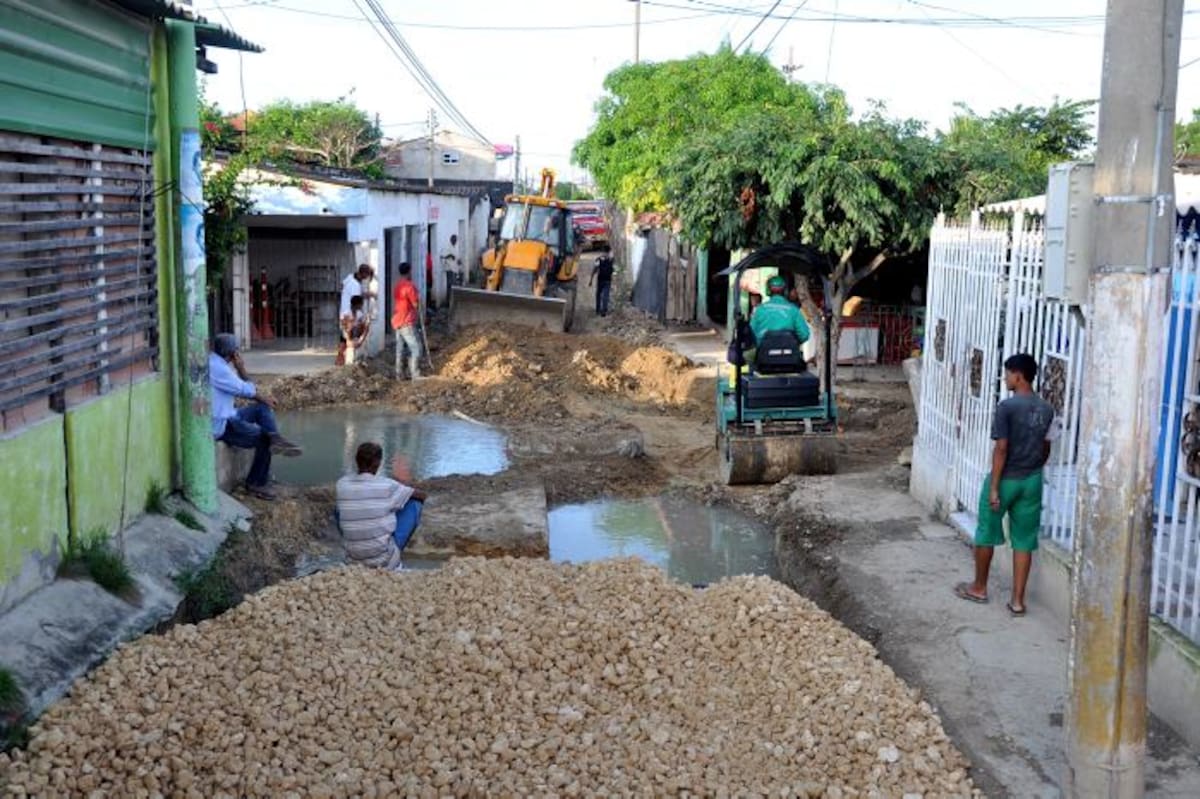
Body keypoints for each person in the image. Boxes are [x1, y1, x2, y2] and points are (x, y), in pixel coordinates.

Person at [955, 353, 1056, 616]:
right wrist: (1034, 466)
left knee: (986, 531)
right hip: (1032, 480)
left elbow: (1001, 448)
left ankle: (979, 588)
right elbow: (1046, 446)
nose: (1005, 378)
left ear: (1018, 375)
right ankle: (1018, 601)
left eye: (1008, 373)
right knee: (1024, 540)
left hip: (1006, 478)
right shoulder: (1047, 409)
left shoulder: (1007, 407)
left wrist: (994, 487)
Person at [209, 333, 302, 501]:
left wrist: (262, 399)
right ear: (232, 353)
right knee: (263, 440)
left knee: (261, 409)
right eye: (236, 350)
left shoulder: (216, 362)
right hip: (221, 424)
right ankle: (256, 483)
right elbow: (247, 390)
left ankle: (275, 438)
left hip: (229, 414)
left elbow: (248, 389)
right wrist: (242, 369)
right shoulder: (218, 369)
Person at [336, 442, 427, 571]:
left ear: (357, 461)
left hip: (352, 561)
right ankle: (394, 557)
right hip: (384, 562)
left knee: (340, 509)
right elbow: (422, 496)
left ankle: (356, 544)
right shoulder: (387, 485)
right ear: (378, 463)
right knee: (413, 503)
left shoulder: (341, 484)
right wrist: (403, 487)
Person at [750, 275, 810, 345]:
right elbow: (804, 335)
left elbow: (751, 332)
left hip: (765, 349)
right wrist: (793, 343)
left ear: (768, 291)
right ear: (785, 291)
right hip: (788, 349)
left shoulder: (760, 309)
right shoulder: (793, 309)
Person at [391, 261, 422, 380]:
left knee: (400, 349)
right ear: (409, 271)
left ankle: (399, 374)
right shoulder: (409, 286)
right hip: (406, 321)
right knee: (416, 348)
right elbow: (415, 304)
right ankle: (415, 374)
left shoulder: (397, 286)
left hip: (397, 320)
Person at [336, 295, 370, 366]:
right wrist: (349, 340)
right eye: (361, 304)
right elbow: (344, 328)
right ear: (357, 305)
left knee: (364, 324)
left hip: (355, 334)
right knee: (342, 357)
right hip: (346, 334)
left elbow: (365, 327)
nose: (362, 306)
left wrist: (360, 340)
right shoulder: (346, 314)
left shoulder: (360, 314)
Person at [589, 247, 615, 317]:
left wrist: (591, 279)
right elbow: (613, 270)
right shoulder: (611, 260)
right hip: (608, 279)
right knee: (605, 295)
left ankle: (598, 310)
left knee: (599, 295)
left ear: (603, 251)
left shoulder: (598, 259)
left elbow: (594, 269)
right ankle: (604, 311)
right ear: (609, 252)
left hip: (600, 279)